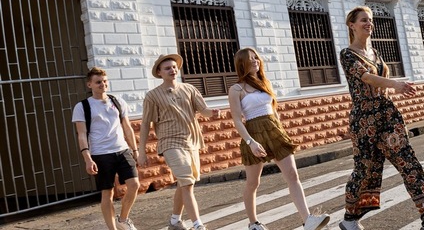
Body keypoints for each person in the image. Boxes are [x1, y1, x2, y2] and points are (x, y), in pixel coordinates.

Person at [338, 6, 424, 230]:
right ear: (352, 25)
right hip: (365, 121)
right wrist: (395, 85)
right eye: (363, 20)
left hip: (387, 115)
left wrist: (392, 90)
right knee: (365, 169)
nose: (369, 23)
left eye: (370, 20)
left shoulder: (376, 54)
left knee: (407, 161)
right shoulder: (347, 54)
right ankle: (349, 218)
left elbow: (379, 80)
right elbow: (367, 78)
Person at [227, 47, 330, 230]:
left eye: (256, 58)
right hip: (254, 133)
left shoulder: (264, 83)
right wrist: (250, 142)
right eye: (251, 59)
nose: (255, 61)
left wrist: (281, 132)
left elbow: (274, 111)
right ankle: (253, 223)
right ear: (242, 64)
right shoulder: (236, 89)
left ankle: (308, 220)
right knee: (253, 183)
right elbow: (236, 119)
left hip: (274, 130)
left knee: (292, 174)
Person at [137, 54, 220, 230]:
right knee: (187, 182)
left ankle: (175, 221)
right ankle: (198, 225)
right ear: (159, 73)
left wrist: (212, 113)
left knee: (186, 182)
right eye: (167, 68)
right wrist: (142, 152)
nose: (172, 70)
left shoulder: (189, 89)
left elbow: (203, 110)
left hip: (191, 140)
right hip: (169, 142)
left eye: (174, 67)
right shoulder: (152, 96)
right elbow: (145, 124)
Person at [73, 67, 140, 230]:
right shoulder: (82, 107)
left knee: (134, 184)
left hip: (122, 150)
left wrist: (135, 149)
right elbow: (81, 134)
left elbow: (127, 127)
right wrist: (87, 159)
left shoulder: (118, 102)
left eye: (105, 81)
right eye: (98, 82)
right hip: (100, 154)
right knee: (107, 193)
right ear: (90, 85)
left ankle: (123, 219)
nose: (102, 84)